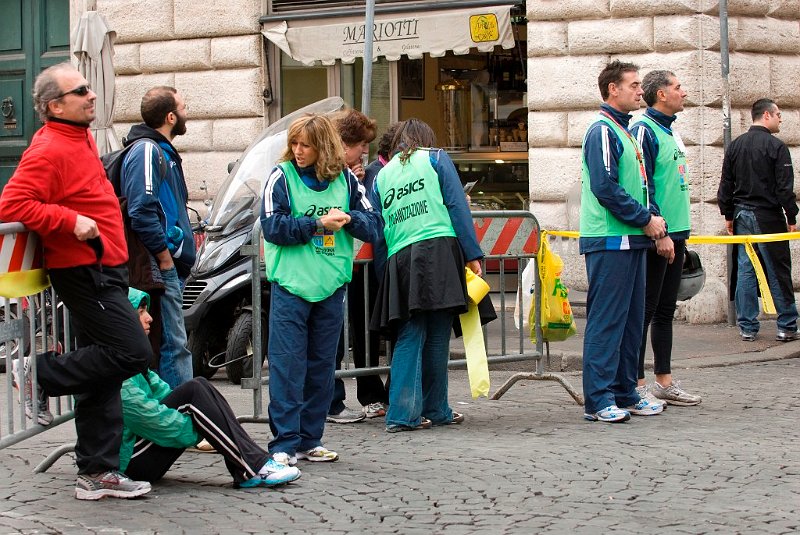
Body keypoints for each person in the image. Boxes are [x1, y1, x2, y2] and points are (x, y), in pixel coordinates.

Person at [0, 62, 152, 500]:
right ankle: (37, 373)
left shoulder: (80, 136)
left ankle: (96, 472)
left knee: (100, 371)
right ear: (55, 105)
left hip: (105, 266)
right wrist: (69, 222)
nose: (91, 94)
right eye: (80, 90)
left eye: (89, 87)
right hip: (85, 271)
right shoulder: (48, 148)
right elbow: (13, 203)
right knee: (131, 351)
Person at [260, 114, 380, 464]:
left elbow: (374, 225)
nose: (298, 151)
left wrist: (347, 218)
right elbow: (272, 226)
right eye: (294, 143)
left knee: (321, 368)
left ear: (323, 147)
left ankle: (310, 440)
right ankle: (283, 444)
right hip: (291, 288)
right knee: (286, 367)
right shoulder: (281, 177)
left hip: (330, 288)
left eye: (306, 145)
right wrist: (317, 223)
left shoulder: (345, 179)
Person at [120, 288, 301, 488]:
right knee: (196, 394)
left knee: (198, 386)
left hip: (138, 449)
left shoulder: (133, 358)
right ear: (124, 319)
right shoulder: (116, 365)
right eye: (140, 313)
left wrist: (205, 423)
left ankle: (254, 464)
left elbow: (166, 395)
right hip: (128, 463)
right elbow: (149, 420)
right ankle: (253, 467)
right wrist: (199, 428)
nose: (149, 318)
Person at [370, 118, 482, 433]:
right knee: (436, 335)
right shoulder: (435, 158)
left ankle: (407, 412)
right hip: (439, 251)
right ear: (425, 138)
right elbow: (457, 206)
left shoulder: (382, 176)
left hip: (399, 258)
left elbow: (380, 231)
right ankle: (433, 409)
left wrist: (385, 275)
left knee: (411, 333)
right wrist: (472, 253)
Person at [579, 60, 667, 423]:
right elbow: (605, 187)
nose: (639, 90)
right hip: (610, 239)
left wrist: (651, 221)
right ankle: (599, 399)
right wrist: (646, 219)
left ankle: (625, 391)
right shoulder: (602, 130)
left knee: (631, 322)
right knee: (607, 321)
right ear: (612, 89)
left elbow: (639, 186)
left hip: (631, 239)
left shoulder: (625, 130)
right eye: (633, 85)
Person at [629, 70, 702, 407]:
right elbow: (644, 185)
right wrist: (658, 231)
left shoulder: (668, 131)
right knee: (645, 311)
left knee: (664, 311)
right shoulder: (643, 130)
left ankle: (664, 380)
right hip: (660, 234)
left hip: (677, 233)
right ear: (660, 94)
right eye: (677, 87)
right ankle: (637, 382)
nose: (683, 92)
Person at [119, 86, 196, 388]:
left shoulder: (160, 152)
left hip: (168, 266)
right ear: (170, 116)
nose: (187, 112)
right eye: (184, 107)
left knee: (172, 343)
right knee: (173, 347)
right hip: (160, 266)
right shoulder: (147, 150)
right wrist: (165, 257)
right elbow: (141, 210)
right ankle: (182, 420)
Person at [717, 98, 799, 342]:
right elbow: (784, 188)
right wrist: (791, 215)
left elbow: (726, 185)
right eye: (778, 114)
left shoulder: (735, 146)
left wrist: (728, 215)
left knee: (746, 270)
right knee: (777, 270)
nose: (781, 119)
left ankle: (747, 327)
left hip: (742, 214)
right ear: (766, 115)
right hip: (768, 216)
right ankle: (786, 325)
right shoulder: (776, 147)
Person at [327, 109, 388, 424]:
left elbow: (369, 221)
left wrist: (357, 186)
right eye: (361, 144)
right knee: (329, 338)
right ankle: (330, 403)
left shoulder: (356, 175)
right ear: (344, 141)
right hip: (322, 267)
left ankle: (342, 399)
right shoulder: (321, 174)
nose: (366, 151)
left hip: (343, 263)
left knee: (350, 329)